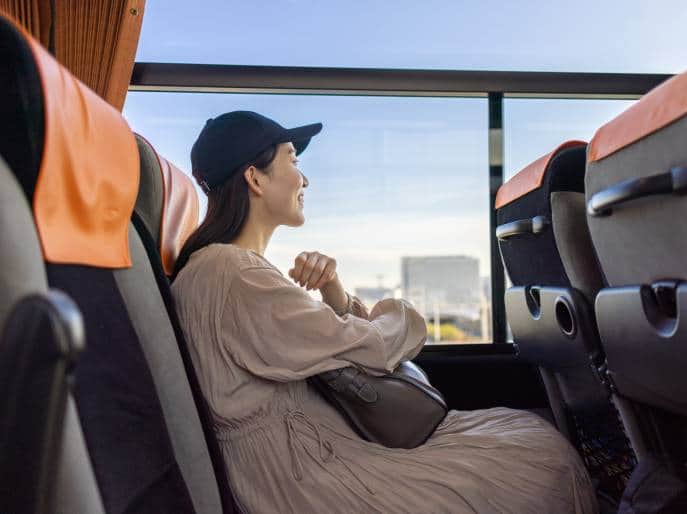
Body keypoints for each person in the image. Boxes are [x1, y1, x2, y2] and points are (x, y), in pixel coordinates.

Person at [170, 111, 598, 514]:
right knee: (544, 465)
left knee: (529, 440)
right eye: (293, 160)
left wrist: (333, 289)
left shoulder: (222, 270)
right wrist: (403, 315)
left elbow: (327, 340)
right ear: (254, 178)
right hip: (305, 479)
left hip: (304, 457)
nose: (305, 178)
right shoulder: (235, 273)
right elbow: (374, 348)